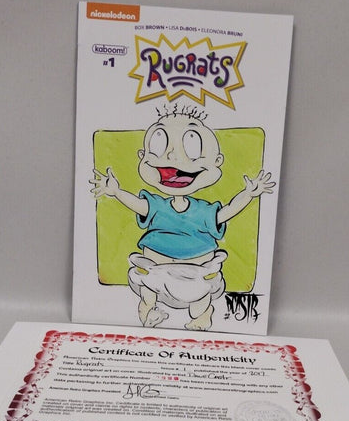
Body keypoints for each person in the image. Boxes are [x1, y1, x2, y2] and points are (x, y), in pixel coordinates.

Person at [92, 107, 275, 330]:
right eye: (159, 143)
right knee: (147, 293)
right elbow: (138, 205)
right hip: (156, 270)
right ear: (142, 156)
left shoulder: (203, 211)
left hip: (196, 274)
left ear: (217, 161)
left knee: (200, 300)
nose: (172, 157)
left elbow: (226, 212)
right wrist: (116, 192)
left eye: (192, 145)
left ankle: (201, 318)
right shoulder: (157, 205)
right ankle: (149, 313)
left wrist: (248, 194)